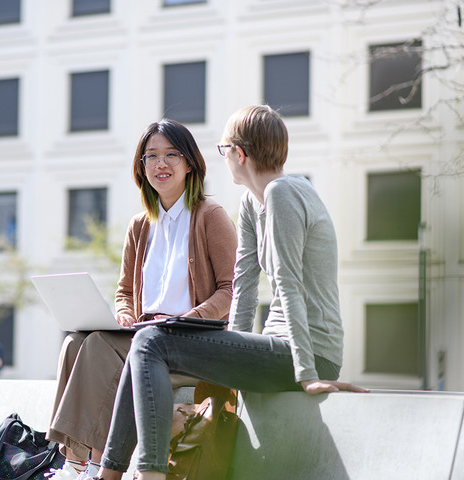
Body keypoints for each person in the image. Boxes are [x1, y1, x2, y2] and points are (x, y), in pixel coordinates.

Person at [95, 106, 369, 480]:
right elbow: (244, 286)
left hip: (307, 354)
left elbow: (288, 283)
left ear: (239, 154)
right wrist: (228, 357)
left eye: (224, 150)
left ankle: (150, 474)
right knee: (145, 346)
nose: (222, 159)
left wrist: (307, 374)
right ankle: (107, 476)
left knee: (150, 342)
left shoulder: (284, 193)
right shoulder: (252, 203)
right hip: (273, 351)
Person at [45, 119, 237, 480]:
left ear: (190, 163)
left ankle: (100, 466)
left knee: (99, 347)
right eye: (151, 157)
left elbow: (232, 288)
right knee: (75, 342)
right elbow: (125, 293)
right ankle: (72, 461)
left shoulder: (211, 216)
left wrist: (189, 319)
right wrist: (124, 313)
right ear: (142, 166)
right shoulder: (140, 225)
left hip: (193, 340)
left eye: (170, 155)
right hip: (145, 331)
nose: (160, 164)